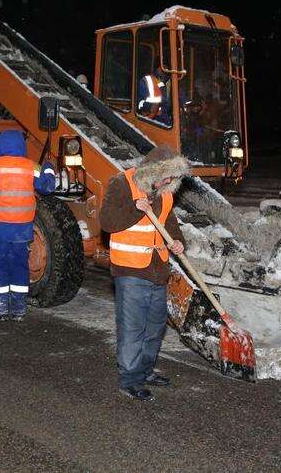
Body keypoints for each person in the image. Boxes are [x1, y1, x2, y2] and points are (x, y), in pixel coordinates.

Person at [99, 145, 190, 401]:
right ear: (153, 171)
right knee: (133, 328)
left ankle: (145, 370)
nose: (170, 181)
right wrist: (135, 209)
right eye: (167, 175)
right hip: (130, 269)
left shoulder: (165, 191)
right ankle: (130, 379)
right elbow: (107, 222)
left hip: (157, 268)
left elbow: (168, 221)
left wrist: (177, 240)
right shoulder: (122, 184)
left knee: (155, 326)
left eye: (174, 177)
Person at [0, 130, 55, 321]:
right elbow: (47, 187)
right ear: (21, 146)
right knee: (19, 267)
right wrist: (49, 167)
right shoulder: (32, 167)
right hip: (21, 228)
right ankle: (19, 310)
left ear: (0, 145)